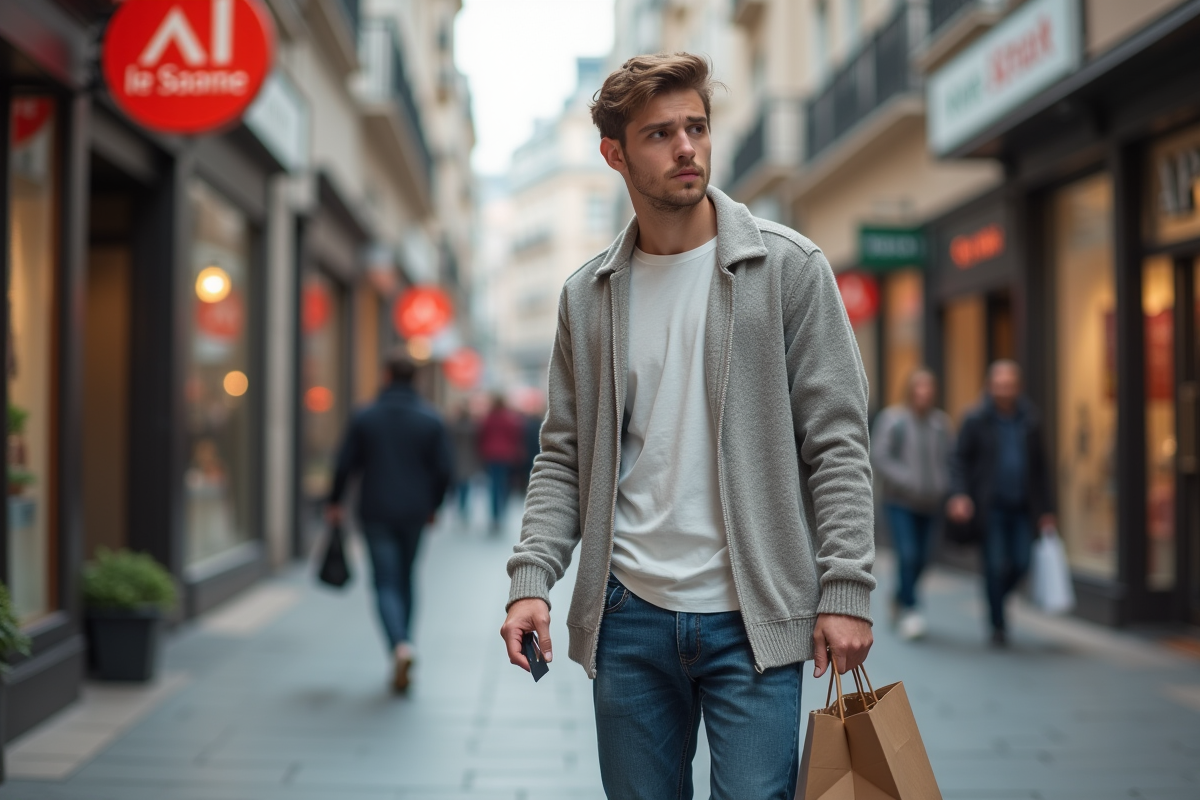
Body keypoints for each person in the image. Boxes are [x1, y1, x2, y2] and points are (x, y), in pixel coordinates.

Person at [499, 53, 875, 800]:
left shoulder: (788, 268)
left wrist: (845, 589)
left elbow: (836, 443)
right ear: (615, 154)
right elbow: (564, 456)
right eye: (660, 134)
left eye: (696, 127)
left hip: (754, 615)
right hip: (628, 615)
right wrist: (531, 577)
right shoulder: (588, 296)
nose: (686, 148)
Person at [327, 351, 453, 692]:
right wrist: (435, 505)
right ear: (416, 379)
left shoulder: (366, 416)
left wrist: (335, 501)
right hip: (414, 512)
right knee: (406, 578)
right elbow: (444, 470)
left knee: (384, 581)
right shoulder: (430, 419)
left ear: (385, 376)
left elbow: (343, 464)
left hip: (376, 510)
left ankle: (398, 645)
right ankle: (406, 643)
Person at [947, 359, 1055, 647]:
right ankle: (998, 624)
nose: (1003, 391)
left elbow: (1042, 468)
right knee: (994, 565)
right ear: (989, 387)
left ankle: (996, 599)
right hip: (990, 507)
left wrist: (1047, 510)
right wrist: (959, 494)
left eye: (1008, 385)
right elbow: (959, 461)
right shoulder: (975, 419)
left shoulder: (1031, 420)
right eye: (998, 385)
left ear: (1017, 388)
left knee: (1021, 562)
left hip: (1022, 506)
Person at [871, 369, 954, 640]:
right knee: (907, 554)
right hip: (900, 501)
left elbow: (950, 460)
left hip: (931, 504)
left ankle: (899, 595)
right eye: (919, 389)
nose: (923, 394)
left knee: (924, 558)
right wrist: (907, 479)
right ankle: (911, 610)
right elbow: (879, 456)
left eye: (928, 389)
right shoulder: (893, 420)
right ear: (910, 391)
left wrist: (943, 486)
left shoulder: (941, 424)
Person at [477, 395, 523, 532]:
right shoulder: (509, 418)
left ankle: (495, 515)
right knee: (503, 485)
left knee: (493, 486)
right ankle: (501, 513)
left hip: (491, 455)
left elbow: (481, 435)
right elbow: (515, 436)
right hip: (506, 456)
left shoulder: (488, 418)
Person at [449, 403, 480, 522]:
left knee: (459, 484)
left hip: (457, 458)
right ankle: (464, 507)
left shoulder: (454, 426)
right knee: (466, 484)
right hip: (469, 458)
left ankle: (460, 506)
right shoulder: (473, 427)